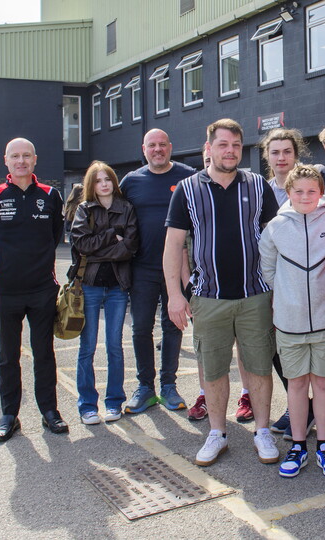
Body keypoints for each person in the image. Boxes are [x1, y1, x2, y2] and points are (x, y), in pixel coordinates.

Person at [164, 118, 280, 467]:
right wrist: (174, 294)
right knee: (212, 369)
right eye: (223, 144)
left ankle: (262, 431)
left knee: (259, 368)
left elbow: (275, 239)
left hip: (255, 295)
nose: (229, 151)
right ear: (209, 147)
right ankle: (217, 432)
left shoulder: (259, 185)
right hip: (209, 297)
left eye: (235, 145)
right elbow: (172, 246)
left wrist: (279, 289)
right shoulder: (186, 188)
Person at [0, 138, 66, 442]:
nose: (21, 161)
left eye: (26, 155)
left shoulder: (51, 196)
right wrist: (4, 269)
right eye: (15, 156)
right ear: (6, 160)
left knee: (44, 353)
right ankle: (9, 415)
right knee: (8, 356)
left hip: (42, 289)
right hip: (5, 291)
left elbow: (54, 236)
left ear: (35, 159)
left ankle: (49, 411)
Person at [260, 164, 325, 478]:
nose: (306, 196)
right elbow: (268, 271)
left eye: (312, 191)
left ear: (322, 193)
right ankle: (298, 445)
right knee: (296, 384)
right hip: (289, 322)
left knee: (323, 383)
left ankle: (324, 444)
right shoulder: (275, 227)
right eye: (299, 191)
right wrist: (285, 299)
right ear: (289, 193)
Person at [120, 129, 197, 414]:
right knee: (141, 328)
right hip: (142, 268)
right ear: (144, 149)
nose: (157, 150)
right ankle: (144, 387)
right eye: (152, 145)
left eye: (162, 145)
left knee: (172, 325)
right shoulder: (131, 181)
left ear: (170, 147)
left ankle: (168, 386)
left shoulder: (187, 177)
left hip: (177, 268)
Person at [187, 149, 255, 424]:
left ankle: (246, 394)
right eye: (205, 161)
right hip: (204, 291)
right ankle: (205, 395)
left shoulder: (245, 189)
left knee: (243, 348)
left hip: (245, 290)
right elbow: (181, 246)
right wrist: (184, 291)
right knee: (208, 352)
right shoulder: (192, 193)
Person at [70, 161, 139, 425]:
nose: (104, 184)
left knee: (114, 347)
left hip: (117, 287)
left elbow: (130, 248)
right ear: (92, 185)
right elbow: (83, 245)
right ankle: (87, 405)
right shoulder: (84, 210)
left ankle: (114, 402)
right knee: (87, 347)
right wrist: (112, 235)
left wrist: (101, 247)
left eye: (108, 179)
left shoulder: (127, 209)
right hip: (89, 285)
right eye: (98, 181)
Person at [259, 128, 316, 440]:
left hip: (310, 288)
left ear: (296, 154)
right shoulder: (260, 189)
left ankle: (315, 404)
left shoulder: (309, 187)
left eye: (287, 152)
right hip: (274, 283)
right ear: (268, 156)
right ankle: (300, 406)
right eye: (275, 152)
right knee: (279, 348)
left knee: (315, 350)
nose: (281, 158)